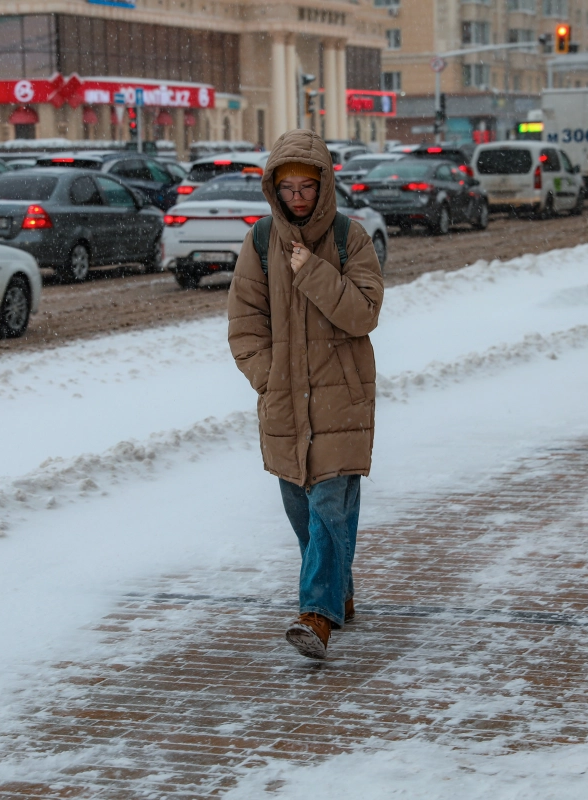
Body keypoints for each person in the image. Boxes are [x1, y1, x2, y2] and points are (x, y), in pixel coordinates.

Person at [227, 129, 384, 660]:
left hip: (342, 401)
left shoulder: (350, 238)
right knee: (306, 516)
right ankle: (337, 593)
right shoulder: (258, 244)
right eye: (287, 187)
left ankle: (315, 616)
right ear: (273, 187)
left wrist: (313, 271)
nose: (297, 197)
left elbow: (364, 313)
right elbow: (245, 325)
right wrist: (268, 377)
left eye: (306, 186)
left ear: (324, 185)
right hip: (285, 403)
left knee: (328, 510)